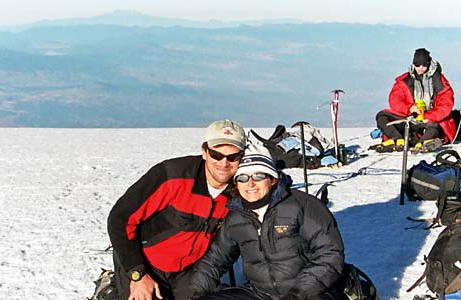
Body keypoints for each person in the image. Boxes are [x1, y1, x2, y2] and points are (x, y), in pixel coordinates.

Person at [107, 119, 247, 300]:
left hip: (189, 272)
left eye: (233, 157)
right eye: (216, 155)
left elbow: (273, 191)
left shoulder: (242, 187)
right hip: (146, 264)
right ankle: (110, 291)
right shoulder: (172, 176)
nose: (224, 163)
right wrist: (137, 274)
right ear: (204, 152)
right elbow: (120, 219)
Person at [189, 143, 345, 300]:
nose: (250, 184)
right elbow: (214, 261)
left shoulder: (301, 205)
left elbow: (329, 255)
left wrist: (297, 294)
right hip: (261, 294)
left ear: (272, 179)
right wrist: (195, 294)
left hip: (311, 292)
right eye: (243, 178)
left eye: (258, 176)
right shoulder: (236, 217)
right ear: (236, 183)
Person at [375, 48, 456, 153]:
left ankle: (423, 142)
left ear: (429, 64)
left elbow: (446, 106)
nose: (421, 68)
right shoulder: (404, 81)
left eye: (424, 65)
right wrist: (409, 109)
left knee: (434, 126)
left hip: (430, 121)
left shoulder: (439, 81)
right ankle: (397, 140)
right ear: (413, 64)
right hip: (410, 119)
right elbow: (395, 100)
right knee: (382, 116)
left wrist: (428, 116)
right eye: (418, 65)